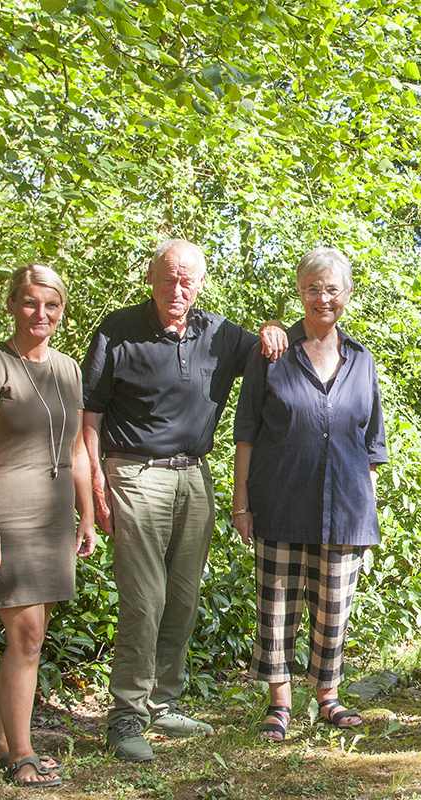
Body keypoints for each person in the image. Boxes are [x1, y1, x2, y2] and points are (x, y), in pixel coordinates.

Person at [81, 239, 286, 762]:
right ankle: (126, 714)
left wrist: (270, 328)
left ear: (200, 283)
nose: (178, 289)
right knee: (144, 599)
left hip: (194, 476)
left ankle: (162, 702)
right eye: (169, 278)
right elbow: (91, 417)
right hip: (135, 474)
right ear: (152, 277)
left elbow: (267, 352)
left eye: (187, 279)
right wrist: (95, 483)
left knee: (182, 597)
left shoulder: (218, 333)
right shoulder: (117, 332)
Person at [231, 247, 388, 740]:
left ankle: (328, 696)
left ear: (348, 295)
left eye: (332, 288)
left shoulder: (361, 361)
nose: (323, 298)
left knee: (334, 607)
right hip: (279, 499)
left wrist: (369, 509)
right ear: (301, 293)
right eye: (313, 288)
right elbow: (246, 431)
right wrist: (241, 503)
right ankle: (280, 702)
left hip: (345, 506)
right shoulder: (272, 353)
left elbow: (372, 443)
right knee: (276, 605)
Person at [0, 264, 96, 788]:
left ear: (62, 310)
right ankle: (23, 752)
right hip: (7, 513)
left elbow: (78, 448)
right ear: (13, 304)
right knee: (28, 634)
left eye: (52, 305)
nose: (42, 314)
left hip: (54, 515)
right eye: (32, 303)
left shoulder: (67, 369)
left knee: (28, 638)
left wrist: (87, 514)